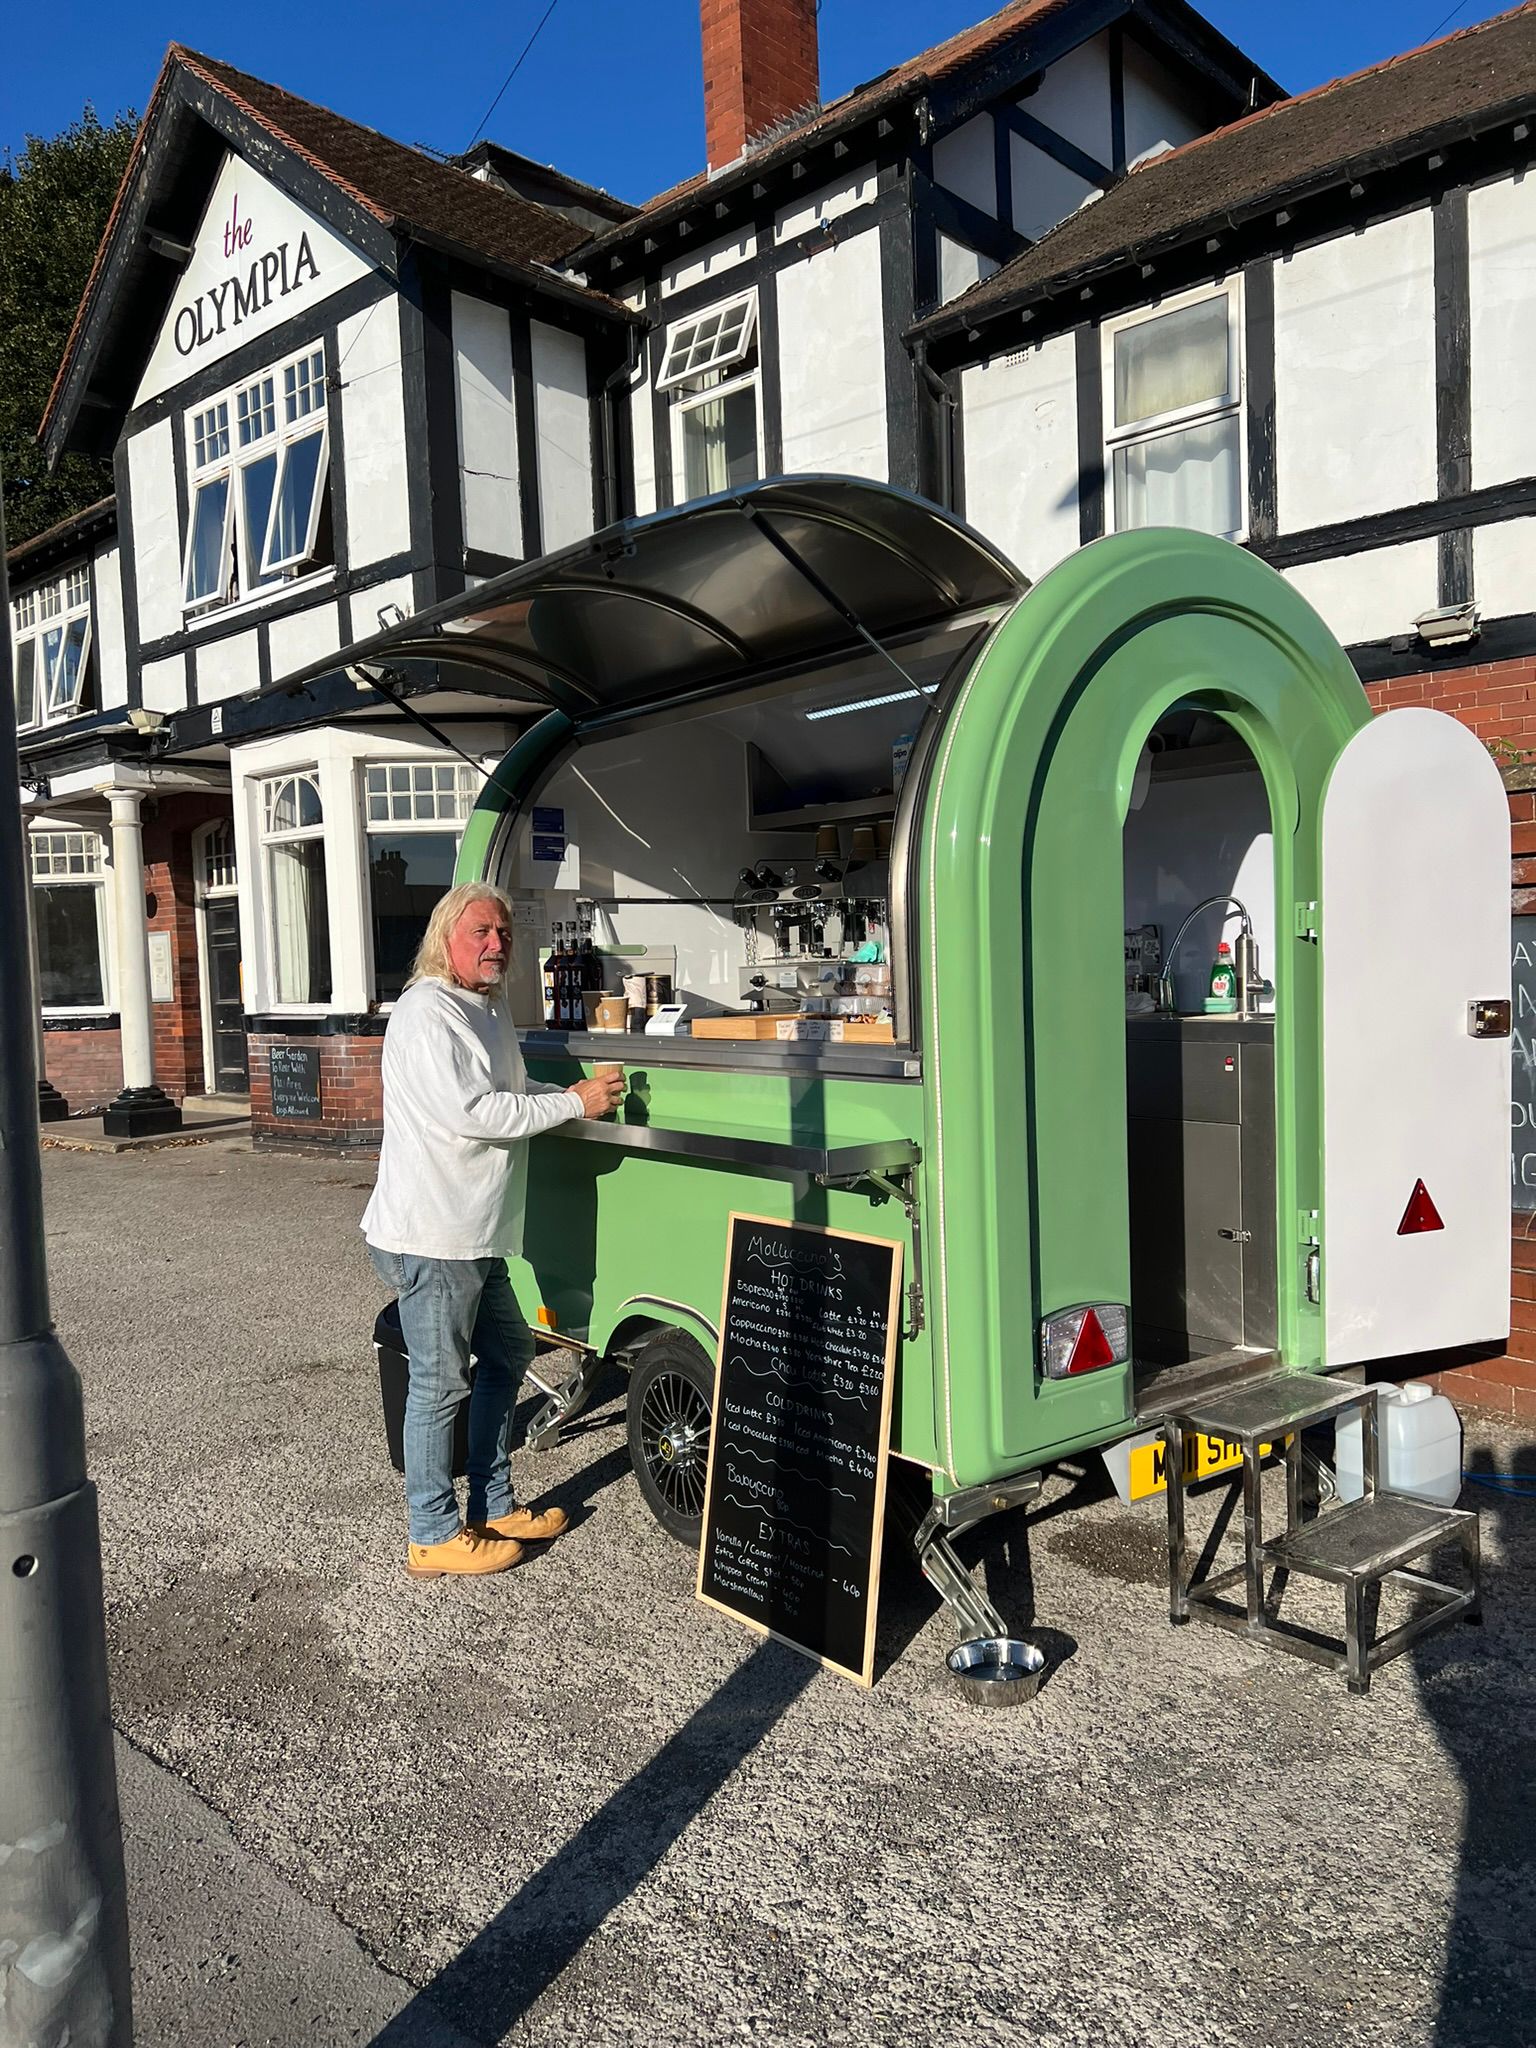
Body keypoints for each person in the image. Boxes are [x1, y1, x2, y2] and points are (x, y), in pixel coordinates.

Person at [362, 882, 624, 1580]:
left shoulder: (486, 1006)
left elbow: (508, 1088)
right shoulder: (427, 1013)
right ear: (446, 934)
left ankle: (493, 1502)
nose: (496, 944)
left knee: (508, 1353)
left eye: (504, 933)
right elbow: (473, 1113)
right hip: (433, 1233)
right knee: (440, 1385)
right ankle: (431, 1531)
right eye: (480, 931)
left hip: (474, 1231)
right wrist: (572, 1100)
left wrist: (574, 1099)